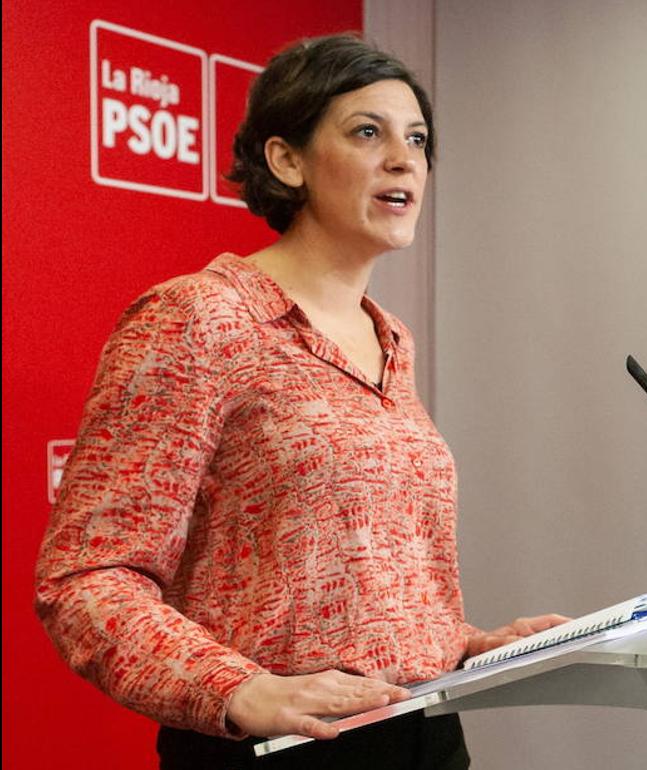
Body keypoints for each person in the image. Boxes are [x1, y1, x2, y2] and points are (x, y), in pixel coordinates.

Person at [35, 33, 565, 769]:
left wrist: (460, 643)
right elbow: (87, 578)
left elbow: (343, 582)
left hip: (427, 733)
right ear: (287, 160)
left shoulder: (391, 341)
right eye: (367, 132)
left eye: (417, 138)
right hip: (280, 746)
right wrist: (237, 688)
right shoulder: (200, 318)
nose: (405, 158)